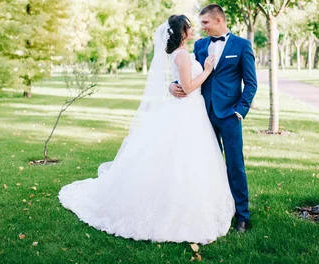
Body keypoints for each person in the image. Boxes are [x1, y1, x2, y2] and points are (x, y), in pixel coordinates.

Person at [59, 14, 235, 244]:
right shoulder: (181, 55)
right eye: (189, 28)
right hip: (187, 110)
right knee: (180, 160)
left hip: (192, 111)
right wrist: (208, 70)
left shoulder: (182, 53)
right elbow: (189, 87)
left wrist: (174, 84)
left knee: (190, 160)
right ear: (181, 33)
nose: (193, 31)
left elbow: (180, 82)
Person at [169, 4, 257, 233]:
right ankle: (214, 210)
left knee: (235, 165)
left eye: (206, 23)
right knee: (208, 165)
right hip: (202, 114)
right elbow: (188, 74)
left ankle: (242, 216)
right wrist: (171, 85)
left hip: (229, 115)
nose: (202, 28)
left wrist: (240, 111)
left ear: (219, 20)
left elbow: (251, 83)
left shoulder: (242, 46)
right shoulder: (199, 46)